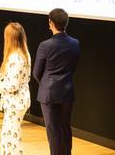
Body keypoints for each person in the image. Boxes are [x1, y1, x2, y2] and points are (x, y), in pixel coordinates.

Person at [33, 8, 80, 155]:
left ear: (51, 23)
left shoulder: (45, 45)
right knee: (65, 128)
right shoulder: (75, 43)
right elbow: (73, 66)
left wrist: (46, 84)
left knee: (53, 131)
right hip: (67, 91)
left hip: (49, 94)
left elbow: (36, 73)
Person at [0, 22, 31, 155]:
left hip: (15, 101)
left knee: (12, 135)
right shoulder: (24, 54)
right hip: (19, 99)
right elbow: (18, 76)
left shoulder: (15, 57)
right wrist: (2, 76)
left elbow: (13, 85)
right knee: (10, 133)